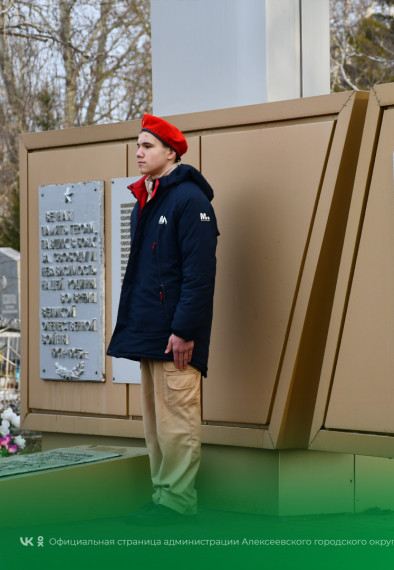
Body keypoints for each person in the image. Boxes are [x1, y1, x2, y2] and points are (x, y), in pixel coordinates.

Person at [107, 114, 219, 525]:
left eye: (147, 146)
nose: (138, 152)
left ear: (171, 152)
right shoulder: (148, 199)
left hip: (176, 336)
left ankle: (178, 504)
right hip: (151, 334)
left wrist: (184, 330)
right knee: (156, 425)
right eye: (137, 145)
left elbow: (199, 273)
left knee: (178, 422)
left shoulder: (190, 201)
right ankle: (162, 497)